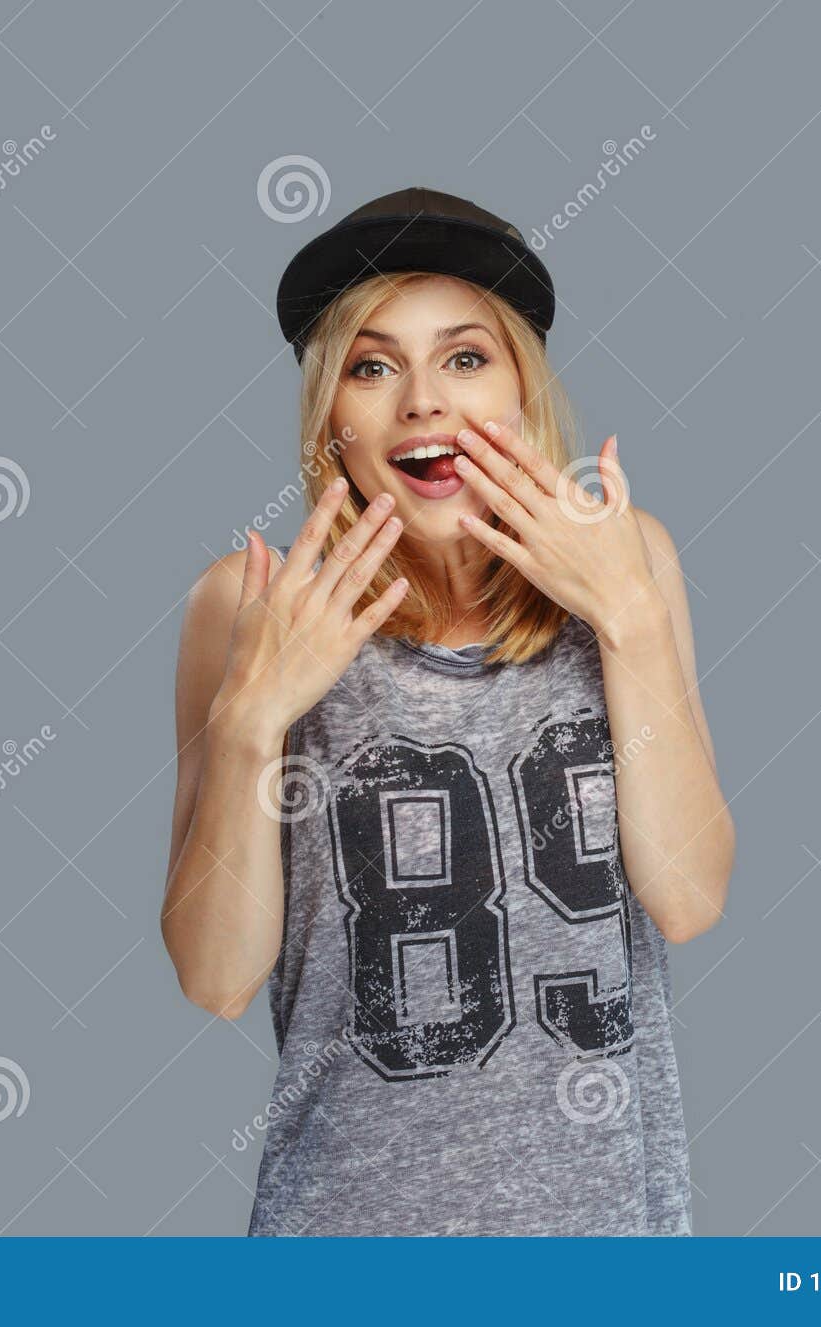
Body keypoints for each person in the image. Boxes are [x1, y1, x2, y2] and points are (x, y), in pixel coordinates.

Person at [160, 187, 735, 1236]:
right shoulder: (245, 608)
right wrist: (254, 717)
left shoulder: (629, 564)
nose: (422, 401)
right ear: (330, 415)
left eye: (465, 357)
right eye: (371, 367)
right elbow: (215, 977)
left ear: (521, 388)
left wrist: (632, 624)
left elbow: (690, 897)